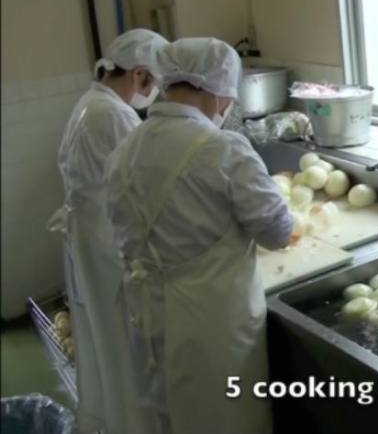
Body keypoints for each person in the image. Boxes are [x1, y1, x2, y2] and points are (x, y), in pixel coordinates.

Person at [103, 37, 294, 434]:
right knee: (224, 420)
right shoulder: (223, 149)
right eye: (227, 97)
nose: (226, 106)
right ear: (215, 90)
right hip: (211, 326)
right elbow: (277, 231)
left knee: (166, 417)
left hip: (148, 315)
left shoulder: (124, 150)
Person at [48, 28, 169, 434]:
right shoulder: (112, 116)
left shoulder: (91, 103)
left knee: (106, 343)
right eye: (154, 83)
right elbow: (145, 185)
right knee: (122, 346)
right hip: (107, 247)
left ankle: (117, 422)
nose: (154, 94)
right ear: (138, 75)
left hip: (90, 239)